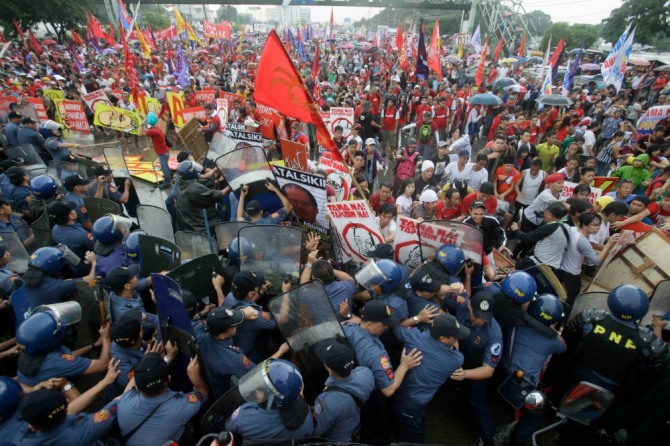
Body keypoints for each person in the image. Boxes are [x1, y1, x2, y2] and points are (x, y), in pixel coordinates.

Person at [342, 301, 422, 446]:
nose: (386, 327)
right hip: (373, 393)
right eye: (383, 324)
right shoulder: (375, 354)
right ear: (370, 323)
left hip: (353, 381)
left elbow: (354, 321)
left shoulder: (348, 327)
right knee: (377, 425)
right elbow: (388, 389)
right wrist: (404, 365)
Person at [563, 285, 667, 396]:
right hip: (611, 390)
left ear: (612, 300)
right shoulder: (648, 343)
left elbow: (568, 343)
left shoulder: (589, 320)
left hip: (576, 376)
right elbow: (649, 374)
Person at [501, 294, 567, 446]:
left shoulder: (516, 324)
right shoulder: (553, 341)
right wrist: (551, 329)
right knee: (533, 416)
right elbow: (563, 347)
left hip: (503, 373)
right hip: (524, 388)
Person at [392, 314, 468, 442]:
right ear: (442, 338)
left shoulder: (414, 336)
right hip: (412, 403)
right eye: (455, 336)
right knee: (414, 437)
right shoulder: (456, 359)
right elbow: (454, 349)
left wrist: (418, 318)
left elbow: (397, 328)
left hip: (401, 389)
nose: (457, 338)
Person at [447, 291, 503, 446]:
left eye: (484, 317)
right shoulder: (462, 303)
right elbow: (441, 294)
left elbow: (488, 370)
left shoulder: (494, 334)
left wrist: (465, 374)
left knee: (479, 403)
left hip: (476, 367)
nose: (480, 320)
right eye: (477, 316)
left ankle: (488, 438)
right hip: (458, 355)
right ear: (470, 307)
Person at [117, 353, 209, 446]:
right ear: (169, 379)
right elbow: (203, 394)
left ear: (137, 388)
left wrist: (166, 358)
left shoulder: (123, 402)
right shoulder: (180, 407)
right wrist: (195, 377)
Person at [225, 359, 313, 441]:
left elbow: (228, 427)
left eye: (262, 388)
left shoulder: (244, 416)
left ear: (273, 398)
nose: (256, 389)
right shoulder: (307, 419)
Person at [312, 339, 375, 442]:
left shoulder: (326, 402)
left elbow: (315, 432)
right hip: (357, 429)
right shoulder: (366, 372)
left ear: (329, 370)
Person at [560, 212, 618, 303]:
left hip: (562, 268)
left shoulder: (572, 229)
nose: (597, 228)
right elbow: (596, 261)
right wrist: (608, 244)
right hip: (572, 274)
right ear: (584, 224)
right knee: (572, 298)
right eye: (594, 225)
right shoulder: (583, 241)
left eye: (599, 225)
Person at [511, 201, 570, 270]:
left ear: (550, 215)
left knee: (516, 270)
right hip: (553, 266)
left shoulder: (549, 227)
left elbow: (528, 238)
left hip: (539, 263)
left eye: (545, 212)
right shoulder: (567, 227)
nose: (543, 215)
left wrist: (516, 230)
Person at [176, 161, 230, 232]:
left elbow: (202, 180)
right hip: (197, 227)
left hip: (186, 223)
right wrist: (230, 186)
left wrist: (216, 179)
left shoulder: (183, 181)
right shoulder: (194, 189)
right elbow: (216, 195)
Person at [49, 201, 94, 277]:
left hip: (72, 265)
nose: (74, 210)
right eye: (72, 210)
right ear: (71, 216)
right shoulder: (81, 235)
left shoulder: (55, 229)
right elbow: (95, 247)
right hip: (87, 267)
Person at [142, 112, 171, 189]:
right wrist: (144, 120)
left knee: (164, 167)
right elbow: (148, 128)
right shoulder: (156, 127)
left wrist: (142, 124)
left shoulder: (153, 131)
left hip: (163, 152)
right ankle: (169, 175)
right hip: (165, 150)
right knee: (165, 165)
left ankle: (167, 182)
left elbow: (141, 133)